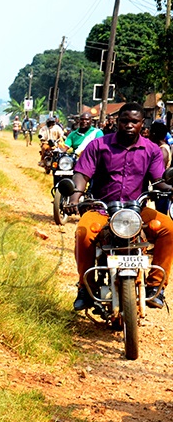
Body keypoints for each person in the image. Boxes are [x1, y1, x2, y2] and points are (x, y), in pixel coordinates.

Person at [69, 102, 173, 311]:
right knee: (83, 233)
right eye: (124, 121)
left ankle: (156, 286)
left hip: (137, 211)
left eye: (134, 121)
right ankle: (86, 288)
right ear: (117, 122)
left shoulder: (152, 150)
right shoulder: (98, 146)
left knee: (168, 229)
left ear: (142, 123)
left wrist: (169, 187)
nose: (129, 125)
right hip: (101, 209)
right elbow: (82, 174)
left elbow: (158, 181)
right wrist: (74, 197)